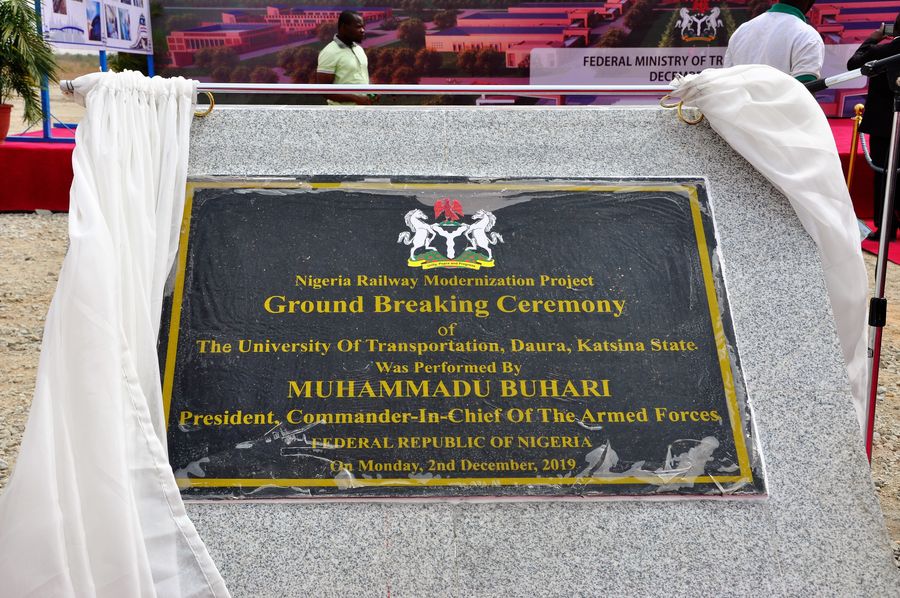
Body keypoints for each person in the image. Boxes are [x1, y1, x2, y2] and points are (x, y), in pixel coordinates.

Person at [848, 16, 900, 241]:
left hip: (883, 126)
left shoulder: (882, 51)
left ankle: (886, 226)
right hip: (886, 124)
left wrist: (872, 38)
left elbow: (853, 63)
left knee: (883, 175)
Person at [723, 0, 824, 83]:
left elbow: (726, 83)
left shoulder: (742, 30)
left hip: (739, 107)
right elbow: (806, 93)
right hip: (780, 108)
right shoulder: (808, 36)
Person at [316, 11, 375, 105]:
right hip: (340, 114)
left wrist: (373, 92)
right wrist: (356, 99)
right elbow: (325, 90)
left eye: (363, 27)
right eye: (358, 27)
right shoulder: (329, 52)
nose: (362, 30)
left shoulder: (359, 49)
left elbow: (361, 76)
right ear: (344, 27)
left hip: (363, 111)